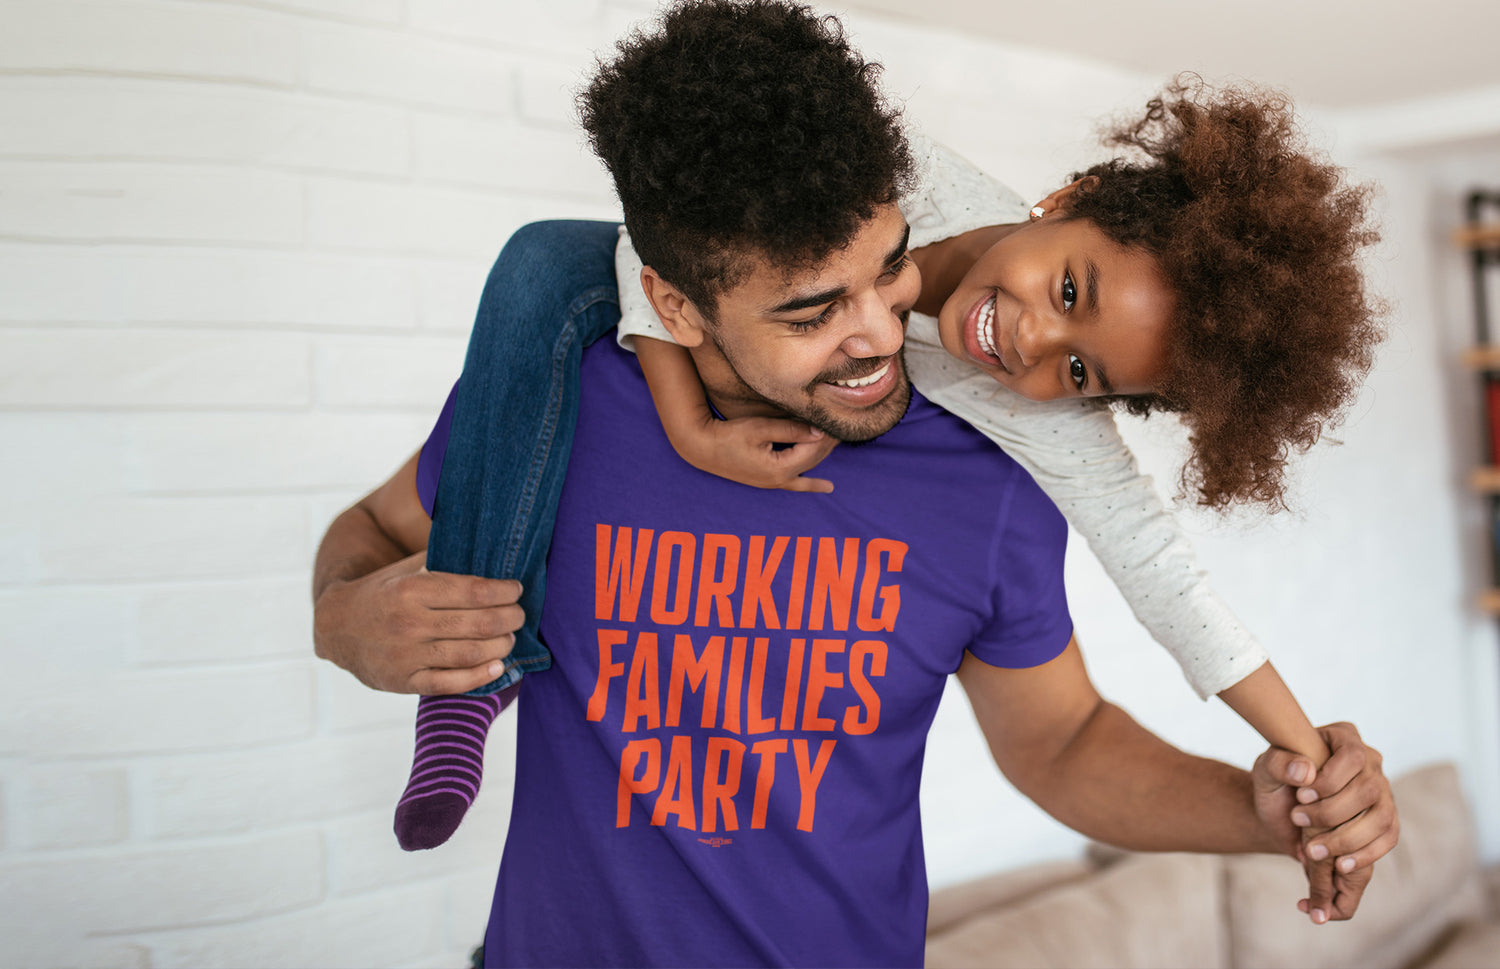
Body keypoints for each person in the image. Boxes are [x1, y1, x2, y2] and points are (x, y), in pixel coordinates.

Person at [311, 2, 1397, 963]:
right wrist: (346, 617)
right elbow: (370, 532)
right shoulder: (557, 398)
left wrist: (1282, 800)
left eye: (890, 270)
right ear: (677, 308)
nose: (878, 334)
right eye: (810, 310)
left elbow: (1065, 738)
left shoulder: (1005, 457)